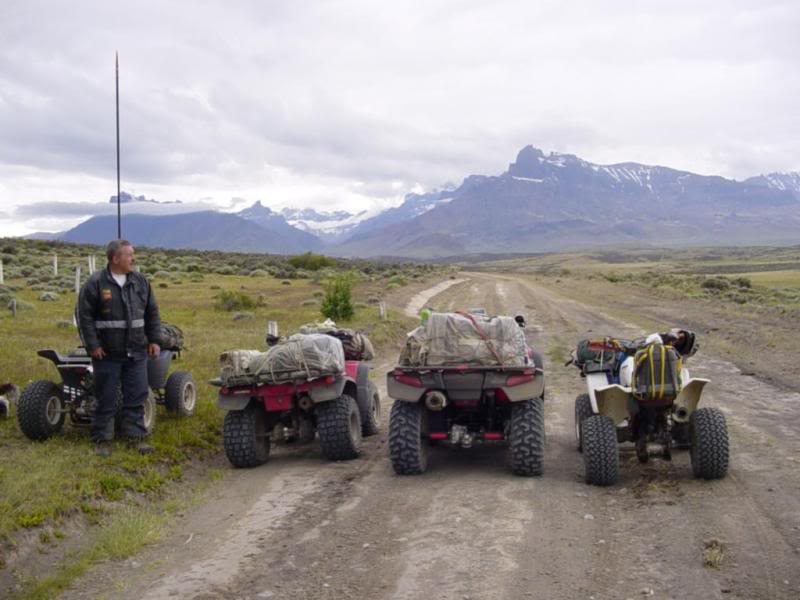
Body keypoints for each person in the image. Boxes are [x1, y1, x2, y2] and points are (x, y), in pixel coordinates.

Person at [77, 240, 162, 456]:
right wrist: (93, 345)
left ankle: (136, 437)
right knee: (105, 397)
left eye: (133, 254)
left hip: (137, 351)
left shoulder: (141, 282)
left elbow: (152, 313)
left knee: (136, 395)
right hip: (107, 354)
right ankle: (102, 440)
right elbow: (84, 317)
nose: (133, 259)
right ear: (115, 259)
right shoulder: (95, 283)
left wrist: (154, 340)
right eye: (129, 255)